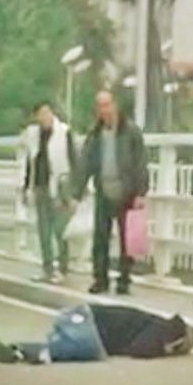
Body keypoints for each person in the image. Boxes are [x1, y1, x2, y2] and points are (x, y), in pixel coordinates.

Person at [80, 89, 149, 296]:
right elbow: (86, 163)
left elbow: (140, 163)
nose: (104, 110)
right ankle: (100, 278)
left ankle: (124, 279)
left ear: (115, 105)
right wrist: (77, 190)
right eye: (100, 106)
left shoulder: (131, 132)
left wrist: (141, 191)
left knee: (127, 239)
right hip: (103, 189)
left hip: (126, 190)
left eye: (107, 104)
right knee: (100, 237)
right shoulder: (94, 134)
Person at [0, 298, 193, 365]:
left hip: (79, 314)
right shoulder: (160, 330)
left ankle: (18, 350)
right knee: (80, 349)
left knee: (61, 347)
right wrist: (165, 350)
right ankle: (25, 353)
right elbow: (139, 350)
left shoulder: (153, 321)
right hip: (90, 326)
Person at [21, 101, 77, 281]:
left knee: (60, 229)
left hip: (60, 185)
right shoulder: (33, 135)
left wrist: (75, 190)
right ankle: (47, 268)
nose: (44, 117)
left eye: (47, 112)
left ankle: (63, 267)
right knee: (43, 230)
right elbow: (31, 163)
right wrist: (26, 187)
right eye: (40, 114)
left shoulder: (64, 132)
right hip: (40, 185)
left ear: (53, 113)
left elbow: (74, 160)